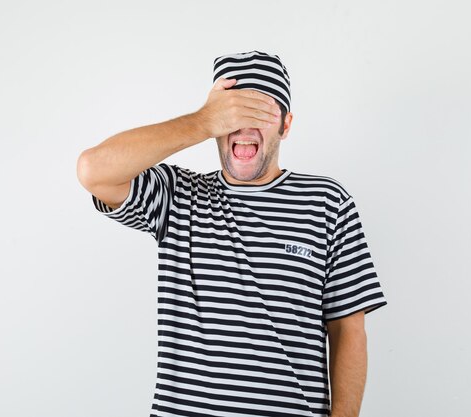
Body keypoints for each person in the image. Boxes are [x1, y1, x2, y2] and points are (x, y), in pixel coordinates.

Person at [77, 50, 388, 417]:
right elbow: (93, 170)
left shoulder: (327, 203)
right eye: (232, 113)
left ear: (286, 125)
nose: (243, 126)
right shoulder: (177, 197)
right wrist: (200, 121)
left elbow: (349, 328)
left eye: (260, 111)